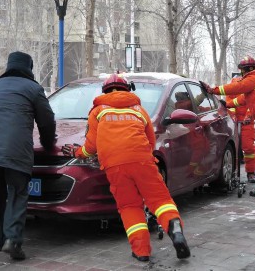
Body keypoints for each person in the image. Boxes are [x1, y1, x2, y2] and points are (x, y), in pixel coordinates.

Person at [62, 74, 191, 262]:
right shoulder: (139, 110)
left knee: (130, 206)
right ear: (127, 90)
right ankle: (174, 227)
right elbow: (151, 141)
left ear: (105, 91)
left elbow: (91, 148)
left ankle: (141, 251)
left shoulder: (98, 111)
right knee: (160, 199)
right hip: (142, 161)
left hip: (115, 166)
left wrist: (77, 152)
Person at [0, 51, 56, 261]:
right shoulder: (33, 88)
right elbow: (47, 121)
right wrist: (49, 144)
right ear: (29, 68)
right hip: (16, 150)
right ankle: (13, 240)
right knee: (18, 194)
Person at [200, 56, 255, 198]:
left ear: (247, 70)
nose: (242, 74)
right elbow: (242, 99)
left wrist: (212, 90)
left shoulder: (253, 79)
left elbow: (236, 88)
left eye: (242, 71)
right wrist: (226, 104)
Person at [225, 75, 255, 183]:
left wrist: (248, 116)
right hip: (234, 123)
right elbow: (229, 103)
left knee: (249, 149)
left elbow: (252, 105)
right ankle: (234, 173)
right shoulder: (232, 88)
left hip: (247, 123)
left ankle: (251, 173)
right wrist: (233, 117)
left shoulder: (249, 89)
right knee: (235, 149)